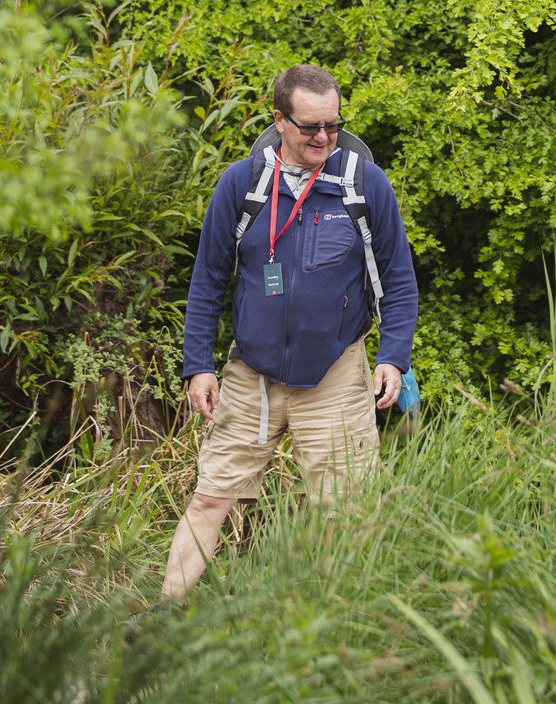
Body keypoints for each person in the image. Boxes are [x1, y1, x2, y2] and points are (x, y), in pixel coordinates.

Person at [161, 65, 419, 602]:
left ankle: (332, 623)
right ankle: (165, 612)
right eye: (309, 127)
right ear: (279, 119)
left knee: (344, 511)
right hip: (250, 374)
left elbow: (398, 279)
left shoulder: (364, 184)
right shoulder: (242, 184)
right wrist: (199, 366)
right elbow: (208, 280)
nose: (323, 138)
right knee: (212, 496)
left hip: (333, 374)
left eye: (333, 124)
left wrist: (393, 356)